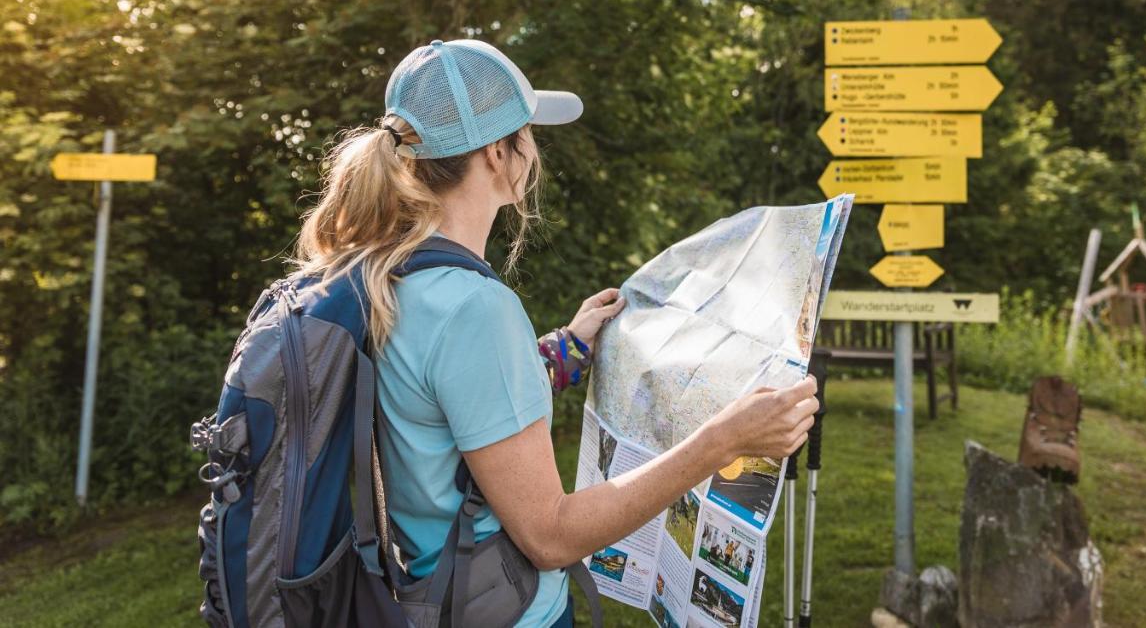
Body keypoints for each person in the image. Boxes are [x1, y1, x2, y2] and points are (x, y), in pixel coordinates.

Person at [293, 38, 819, 627]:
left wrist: (567, 347)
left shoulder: (381, 272)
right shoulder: (473, 309)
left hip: (426, 598)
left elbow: (443, 400)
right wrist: (722, 439)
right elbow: (549, 535)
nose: (534, 148)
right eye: (528, 130)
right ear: (498, 152)